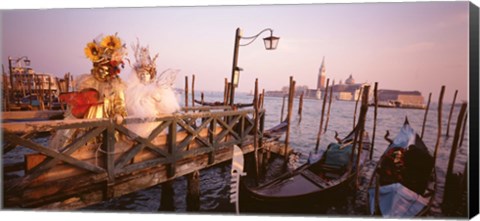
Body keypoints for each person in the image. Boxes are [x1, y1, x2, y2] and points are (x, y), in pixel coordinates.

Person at [50, 33, 128, 149]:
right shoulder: (87, 82)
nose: (101, 72)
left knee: (106, 146)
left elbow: (119, 102)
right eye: (98, 68)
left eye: (105, 68)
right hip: (87, 121)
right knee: (78, 142)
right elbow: (79, 102)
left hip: (107, 123)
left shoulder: (115, 84)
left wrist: (119, 113)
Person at [125, 39, 180, 138]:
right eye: (141, 74)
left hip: (154, 127)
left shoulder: (157, 89)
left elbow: (166, 108)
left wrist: (158, 99)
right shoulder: (132, 90)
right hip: (137, 127)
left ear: (150, 75)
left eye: (146, 74)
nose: (143, 76)